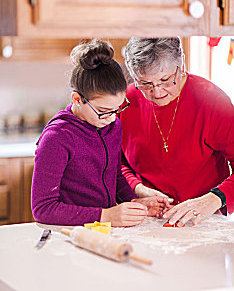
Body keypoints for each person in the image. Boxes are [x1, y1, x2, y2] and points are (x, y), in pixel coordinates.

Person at [31, 39, 170, 227]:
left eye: (116, 110)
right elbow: (43, 209)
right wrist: (106, 216)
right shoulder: (57, 138)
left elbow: (114, 176)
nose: (111, 119)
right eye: (103, 111)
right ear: (77, 99)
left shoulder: (112, 126)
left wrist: (133, 202)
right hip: (68, 235)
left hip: (102, 230)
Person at [120, 37, 234, 227]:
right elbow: (115, 162)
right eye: (145, 84)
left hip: (204, 221)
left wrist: (214, 199)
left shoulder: (213, 101)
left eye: (165, 80)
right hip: (143, 218)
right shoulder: (124, 101)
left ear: (181, 63)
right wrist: (139, 189)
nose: (157, 93)